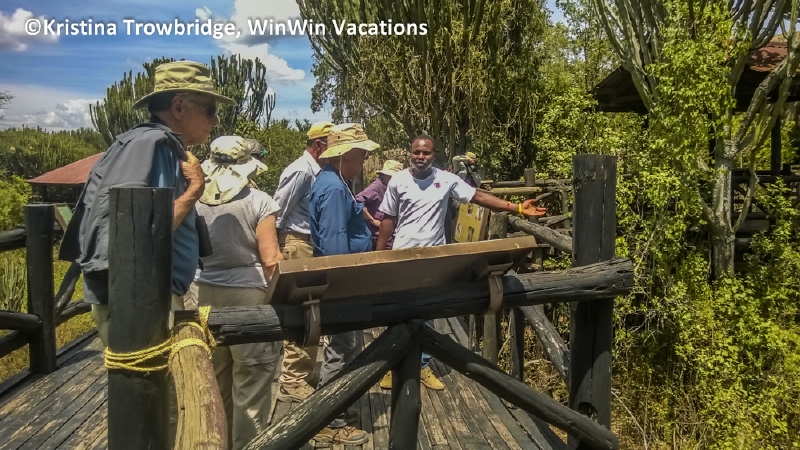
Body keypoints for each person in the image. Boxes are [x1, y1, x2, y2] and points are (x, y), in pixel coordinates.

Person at [57, 60, 235, 448]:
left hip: (144, 294)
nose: (216, 120)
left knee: (158, 406)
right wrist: (194, 191)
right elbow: (137, 232)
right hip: (139, 300)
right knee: (159, 409)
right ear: (179, 106)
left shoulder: (145, 143)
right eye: (210, 109)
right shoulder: (155, 146)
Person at [377, 135, 546, 390]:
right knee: (397, 311)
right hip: (402, 256)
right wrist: (379, 255)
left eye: (426, 153)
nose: (420, 157)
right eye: (416, 152)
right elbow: (388, 218)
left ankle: (421, 366)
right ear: (410, 153)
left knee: (427, 311)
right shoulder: (398, 180)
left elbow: (478, 197)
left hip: (433, 258)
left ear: (434, 155)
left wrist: (518, 208)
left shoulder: (446, 179)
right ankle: (393, 366)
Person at [193, 136, 283, 450]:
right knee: (252, 380)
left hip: (205, 293)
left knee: (216, 378)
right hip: (248, 297)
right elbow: (270, 260)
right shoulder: (260, 201)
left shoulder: (195, 199)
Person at [308, 123, 377, 445]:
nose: (363, 161)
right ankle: (329, 420)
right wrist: (345, 288)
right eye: (360, 155)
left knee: (345, 347)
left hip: (340, 282)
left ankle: (337, 409)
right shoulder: (335, 189)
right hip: (341, 283)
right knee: (341, 348)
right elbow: (335, 246)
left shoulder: (333, 182)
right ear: (344, 155)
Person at [272, 121, 334, 403]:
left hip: (307, 244)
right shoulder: (301, 170)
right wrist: (277, 250)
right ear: (319, 144)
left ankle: (300, 373)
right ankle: (292, 380)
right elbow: (277, 211)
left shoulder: (316, 171)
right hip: (296, 243)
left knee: (311, 311)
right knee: (302, 311)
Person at [355, 159, 404, 250]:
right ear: (385, 175)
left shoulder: (393, 188)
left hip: (392, 238)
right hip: (377, 238)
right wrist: (371, 219)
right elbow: (357, 202)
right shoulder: (376, 188)